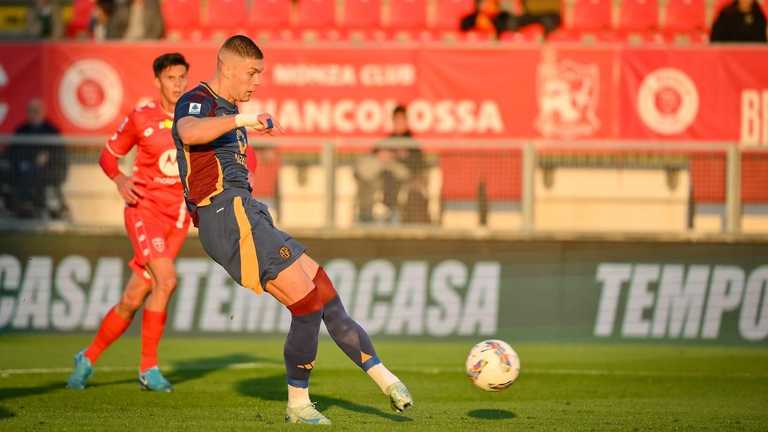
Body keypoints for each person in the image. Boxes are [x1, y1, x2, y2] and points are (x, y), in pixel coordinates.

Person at [172, 35, 413, 425]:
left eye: (260, 74)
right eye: (251, 73)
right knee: (306, 304)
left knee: (323, 292)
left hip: (248, 211)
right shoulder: (200, 100)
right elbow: (188, 131)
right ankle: (298, 405)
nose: (257, 82)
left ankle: (387, 381)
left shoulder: (231, 110)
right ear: (227, 67)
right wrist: (245, 119)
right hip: (223, 215)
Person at [66, 53, 192, 392]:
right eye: (170, 78)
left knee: (134, 298)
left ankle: (88, 357)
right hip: (145, 210)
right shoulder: (141, 117)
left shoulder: (196, 118)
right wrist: (121, 180)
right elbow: (108, 156)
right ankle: (148, 368)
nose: (178, 84)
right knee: (165, 281)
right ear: (158, 81)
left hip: (178, 219)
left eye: (182, 77)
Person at [8, 99, 68, 220]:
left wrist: (48, 157)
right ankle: (22, 208)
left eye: (36, 111)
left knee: (34, 173)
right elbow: (12, 152)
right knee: (21, 172)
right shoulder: (22, 130)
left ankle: (41, 208)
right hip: (23, 169)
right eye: (31, 111)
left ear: (42, 112)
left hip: (48, 170)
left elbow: (59, 154)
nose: (33, 114)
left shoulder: (52, 131)